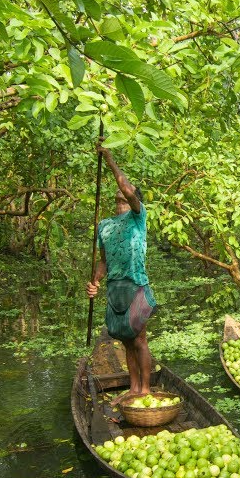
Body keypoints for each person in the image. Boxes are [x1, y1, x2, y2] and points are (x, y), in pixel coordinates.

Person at [86, 146, 157, 407]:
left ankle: (145, 390)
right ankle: (134, 388)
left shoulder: (138, 217)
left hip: (135, 284)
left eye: (126, 193)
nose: (121, 194)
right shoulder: (104, 226)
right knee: (126, 341)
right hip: (115, 287)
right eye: (118, 195)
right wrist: (94, 283)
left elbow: (127, 188)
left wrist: (108, 158)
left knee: (138, 338)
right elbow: (103, 261)